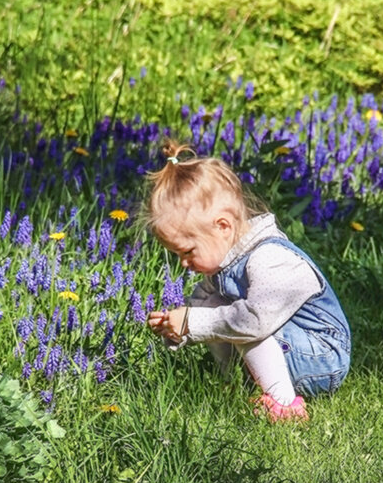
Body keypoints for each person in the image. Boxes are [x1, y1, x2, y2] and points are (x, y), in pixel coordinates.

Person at [143, 140, 351, 423]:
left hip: (322, 358)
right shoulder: (224, 261)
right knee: (216, 306)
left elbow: (254, 322)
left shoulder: (270, 257)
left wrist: (194, 321)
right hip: (288, 350)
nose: (184, 263)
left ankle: (284, 407)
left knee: (245, 321)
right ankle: (238, 384)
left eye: (188, 251)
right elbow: (202, 307)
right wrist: (178, 328)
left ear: (223, 226)